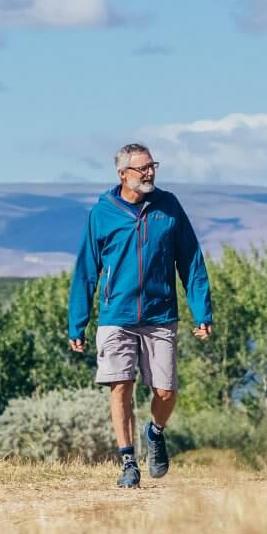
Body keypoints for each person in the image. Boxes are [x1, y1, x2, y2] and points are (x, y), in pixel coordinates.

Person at [66, 143, 213, 488]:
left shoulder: (169, 207)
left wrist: (201, 310)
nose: (149, 173)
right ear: (122, 175)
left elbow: (191, 262)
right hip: (115, 315)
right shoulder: (102, 213)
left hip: (160, 315)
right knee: (120, 386)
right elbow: (86, 269)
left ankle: (155, 431)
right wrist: (78, 321)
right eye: (142, 168)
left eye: (152, 166)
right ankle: (128, 461)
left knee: (165, 391)